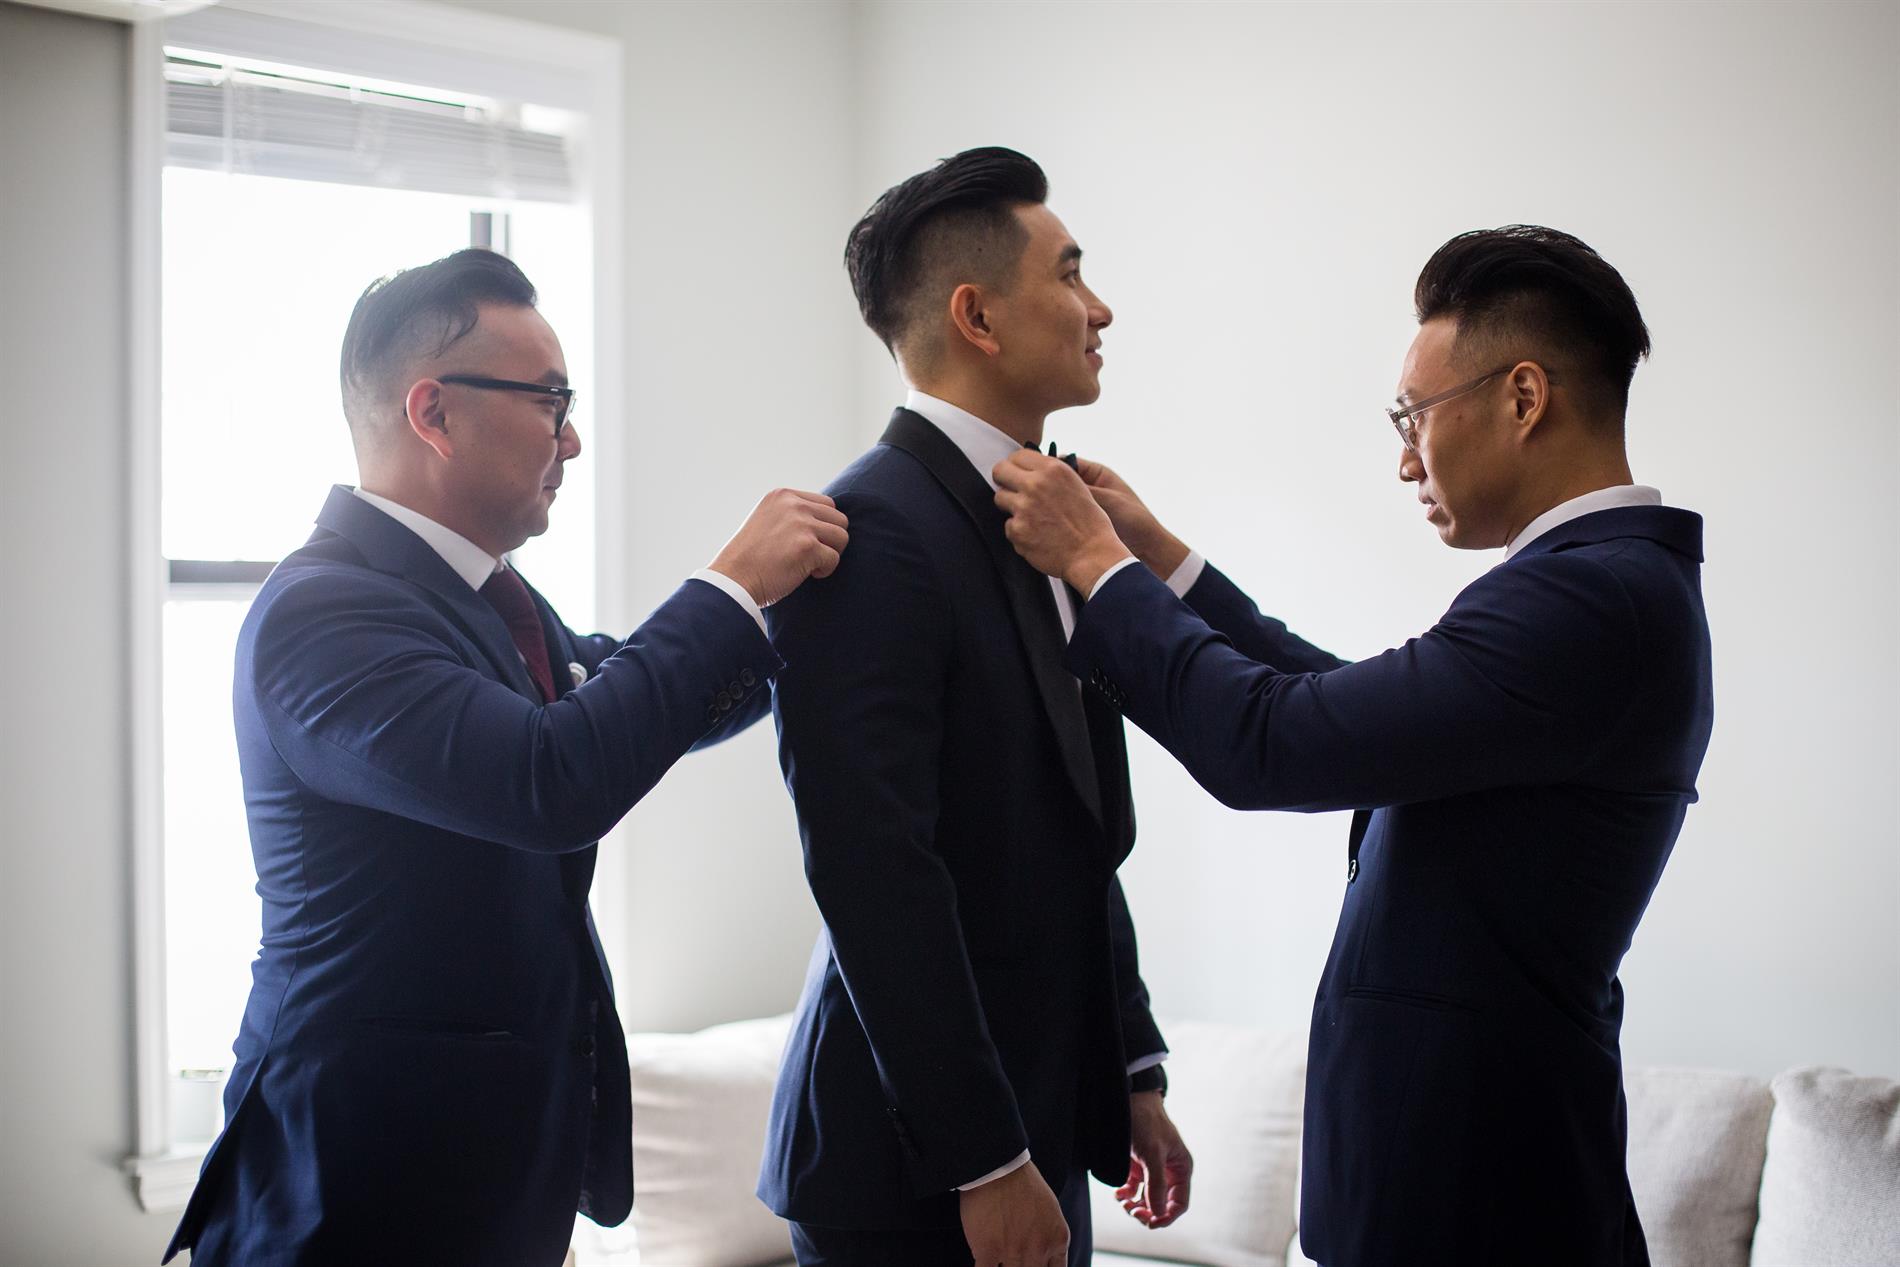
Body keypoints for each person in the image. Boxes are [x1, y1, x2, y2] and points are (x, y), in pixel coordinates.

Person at [993, 225, 1712, 1266]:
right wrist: (1159, 559)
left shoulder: (1592, 599)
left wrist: (1101, 569)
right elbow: (1332, 708)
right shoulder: (1602, 587)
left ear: (1523, 396)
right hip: (1460, 1190)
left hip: (1475, 1204)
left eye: (1413, 414)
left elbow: (1275, 741)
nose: (1405, 456)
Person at [162, 248, 848, 1267]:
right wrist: (730, 586)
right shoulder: (322, 614)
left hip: (497, 1181)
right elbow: (550, 778)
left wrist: (812, 612)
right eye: (549, 401)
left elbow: (635, 706)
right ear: (433, 412)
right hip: (355, 1183)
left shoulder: (492, 602)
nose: (571, 438)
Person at [757, 148, 1193, 1267]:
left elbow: (1072, 834)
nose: (1101, 309)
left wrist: (1131, 1068)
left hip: (1044, 1119)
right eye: (1071, 274)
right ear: (978, 316)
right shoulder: (871, 531)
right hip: (916, 1165)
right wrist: (985, 1161)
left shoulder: (1050, 514)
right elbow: (873, 868)